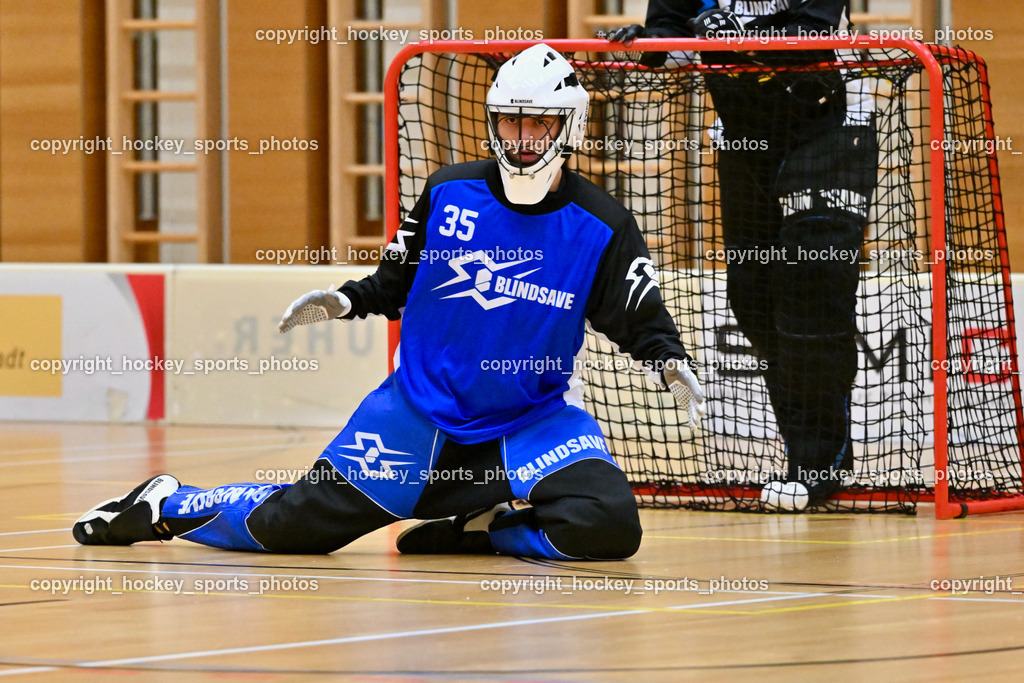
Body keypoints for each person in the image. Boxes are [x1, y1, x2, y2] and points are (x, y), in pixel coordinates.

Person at [72, 43, 706, 559]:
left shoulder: (602, 225)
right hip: (417, 417)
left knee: (609, 526)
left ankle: (478, 532)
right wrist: (344, 301)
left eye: (538, 123)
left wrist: (669, 361)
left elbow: (639, 316)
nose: (522, 138)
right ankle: (167, 503)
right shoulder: (448, 192)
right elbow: (393, 284)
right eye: (510, 121)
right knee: (288, 530)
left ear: (570, 126)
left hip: (530, 425)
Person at [609, 2, 878, 511]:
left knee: (811, 284)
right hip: (746, 135)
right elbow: (674, 27)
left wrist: (734, 36)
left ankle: (816, 461)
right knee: (752, 297)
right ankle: (806, 450)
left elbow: (811, 30)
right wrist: (651, 44)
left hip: (831, 126)